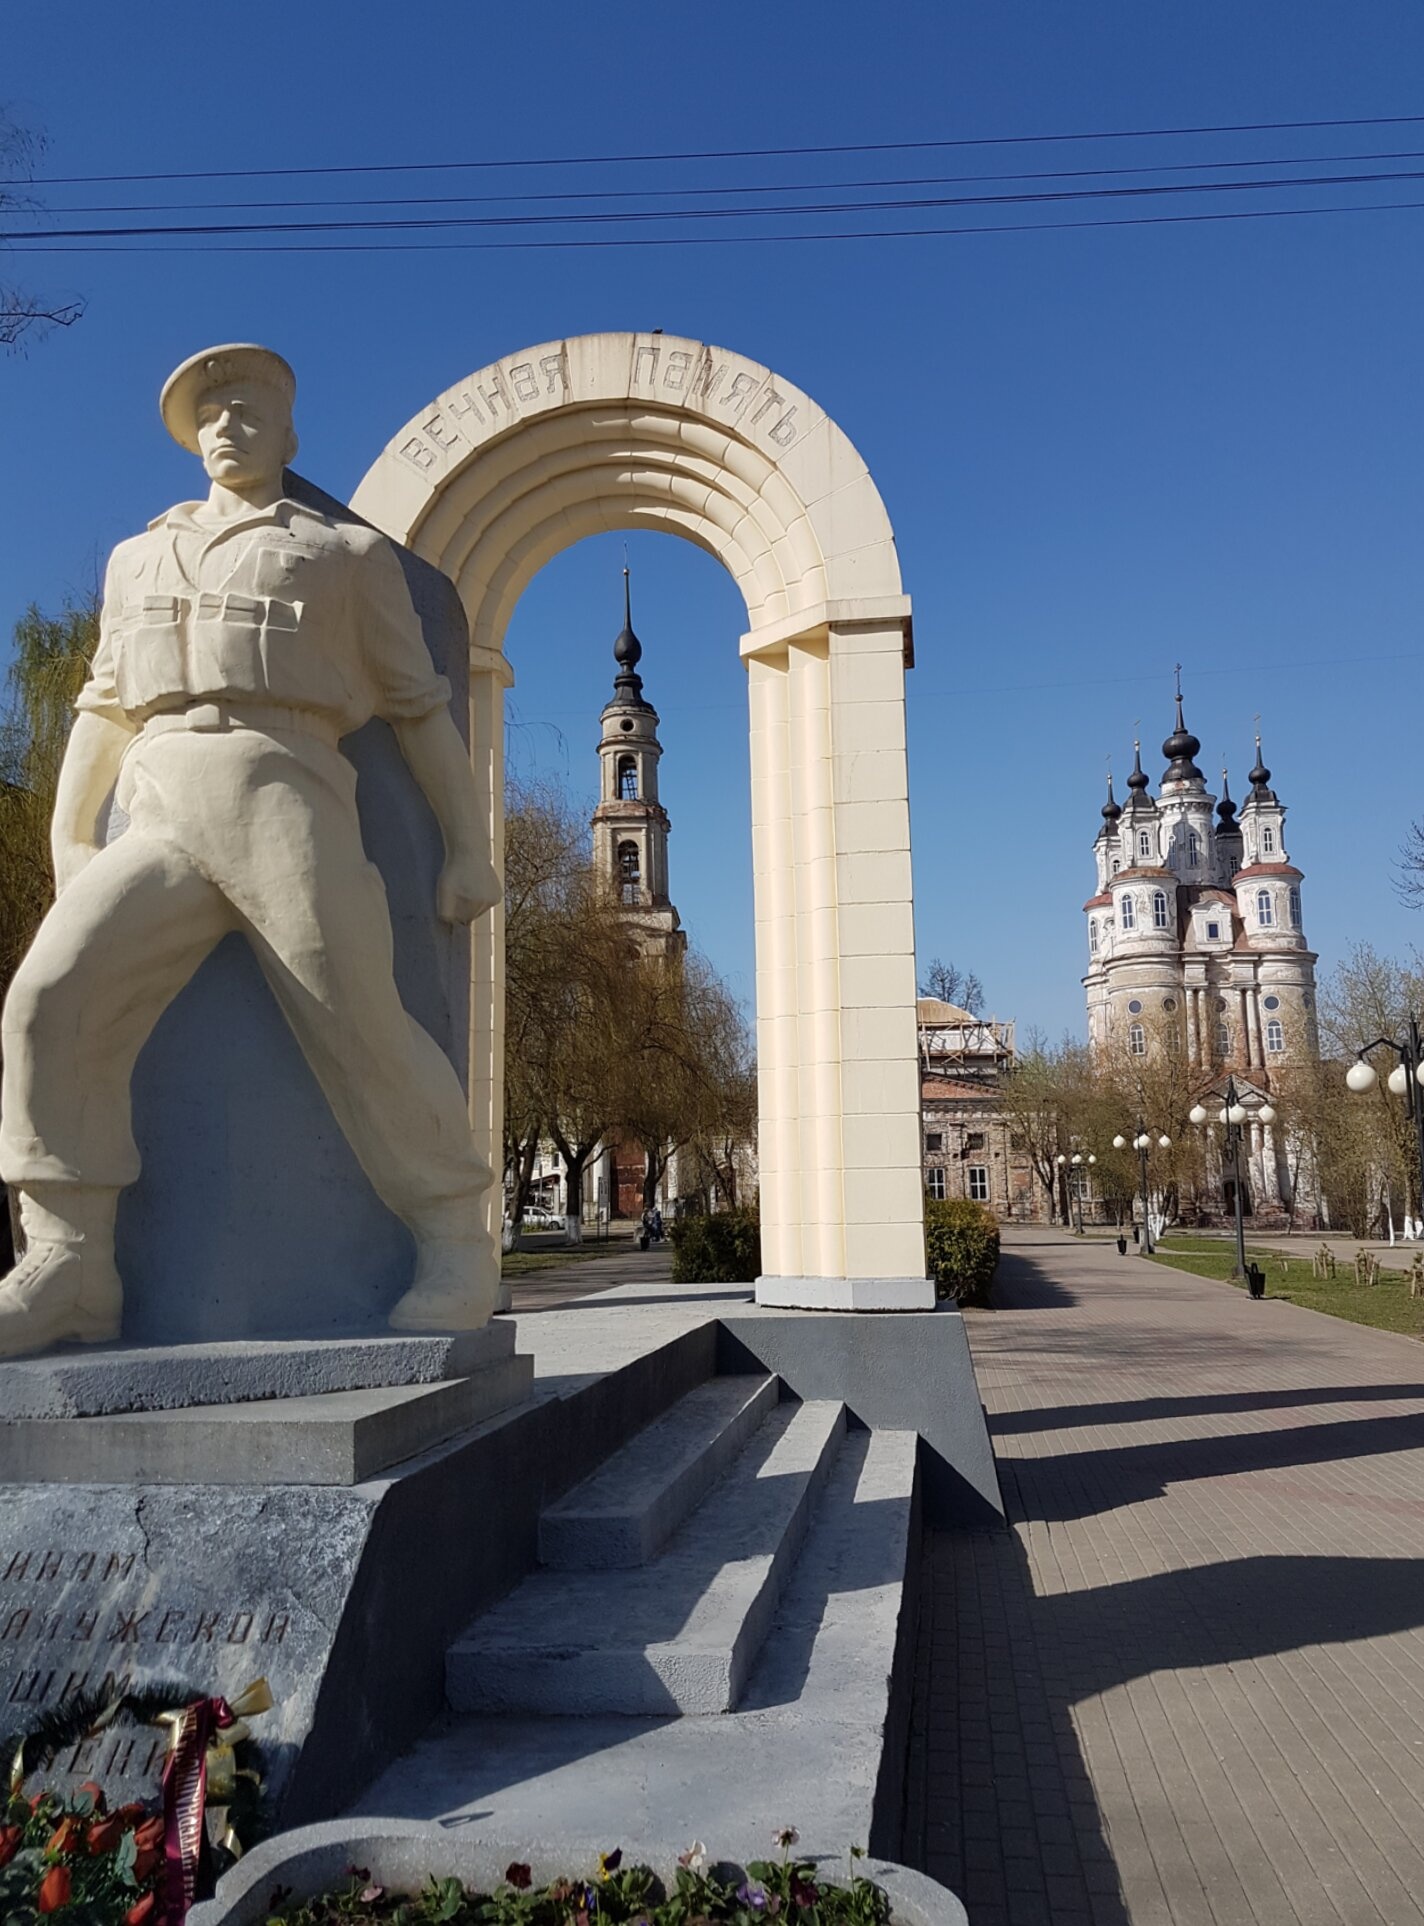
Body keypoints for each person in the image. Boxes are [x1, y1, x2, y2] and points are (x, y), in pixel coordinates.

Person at [0, 344, 499, 1356]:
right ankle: (71, 1262)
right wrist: (69, 828)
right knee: (50, 1000)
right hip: (160, 797)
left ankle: (454, 1234)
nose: (227, 424)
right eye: (211, 413)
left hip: (287, 789)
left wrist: (466, 845)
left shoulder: (343, 556)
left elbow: (418, 709)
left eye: (248, 409)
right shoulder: (138, 558)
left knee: (356, 1018)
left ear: (288, 431)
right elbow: (104, 703)